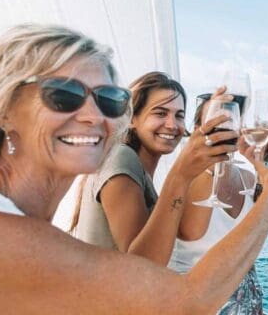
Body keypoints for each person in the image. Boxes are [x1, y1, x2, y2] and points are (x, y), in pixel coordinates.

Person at [0, 23, 268, 314]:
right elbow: (187, 302)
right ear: (5, 110)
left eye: (110, 99)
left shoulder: (25, 226)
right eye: (64, 94)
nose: (94, 116)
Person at [71, 71, 200, 265]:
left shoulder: (136, 169)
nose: (172, 125)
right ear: (131, 119)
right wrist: (181, 175)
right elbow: (142, 264)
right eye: (160, 113)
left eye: (179, 116)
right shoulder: (121, 158)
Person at [169, 96, 263, 314]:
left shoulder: (248, 178)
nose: (225, 127)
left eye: (232, 121)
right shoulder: (187, 183)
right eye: (216, 120)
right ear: (197, 130)